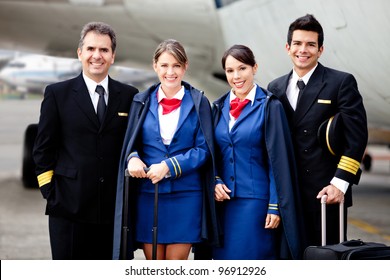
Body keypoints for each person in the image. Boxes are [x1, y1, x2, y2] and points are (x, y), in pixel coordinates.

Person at [32, 22, 139, 260]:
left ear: (113, 56)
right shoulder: (57, 94)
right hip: (69, 209)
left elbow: (135, 145)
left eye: (104, 50)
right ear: (79, 53)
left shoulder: (130, 96)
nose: (97, 56)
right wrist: (50, 192)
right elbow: (43, 149)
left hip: (114, 211)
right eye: (91, 49)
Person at [112, 39, 220, 260]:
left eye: (176, 66)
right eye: (164, 65)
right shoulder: (141, 101)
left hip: (186, 196)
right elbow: (132, 144)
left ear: (185, 66)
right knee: (154, 265)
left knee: (175, 266)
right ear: (155, 66)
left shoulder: (199, 102)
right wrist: (132, 158)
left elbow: (204, 149)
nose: (170, 72)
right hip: (149, 195)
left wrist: (169, 166)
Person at [267, 14, 368, 247]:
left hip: (325, 193)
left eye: (311, 44)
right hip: (288, 194)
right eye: (298, 44)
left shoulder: (340, 82)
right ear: (288, 47)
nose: (304, 50)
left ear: (320, 50)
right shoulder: (276, 87)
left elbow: (357, 137)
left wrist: (340, 184)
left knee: (324, 261)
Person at [212, 44, 304, 260]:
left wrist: (274, 206)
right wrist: (215, 180)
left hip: (256, 205)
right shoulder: (218, 107)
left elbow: (278, 162)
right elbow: (212, 153)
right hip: (223, 206)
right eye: (230, 70)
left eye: (242, 68)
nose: (237, 76)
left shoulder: (270, 106)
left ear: (255, 68)